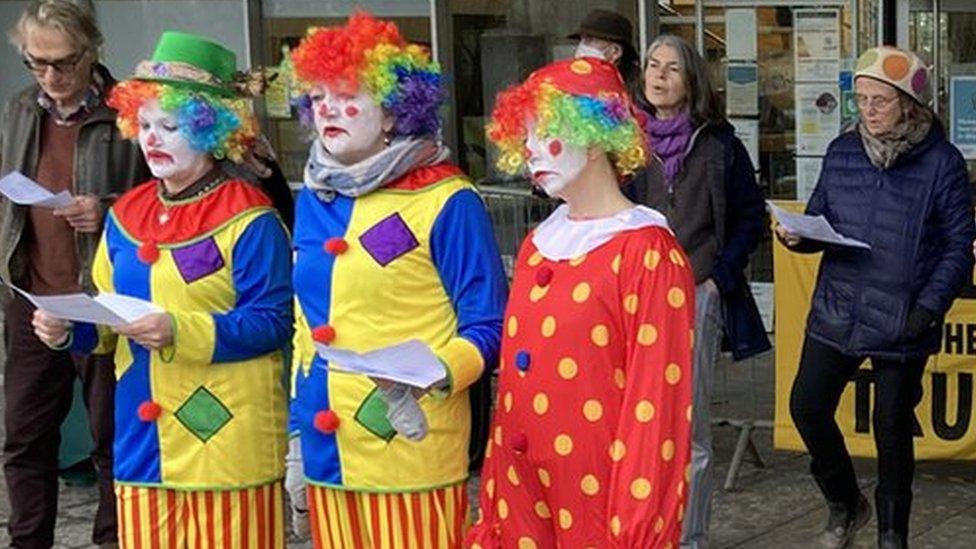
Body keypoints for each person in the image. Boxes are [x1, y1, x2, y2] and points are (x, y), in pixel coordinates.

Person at [32, 30, 293, 547]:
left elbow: (274, 322)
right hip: (141, 440)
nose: (150, 139)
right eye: (144, 124)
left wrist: (180, 328)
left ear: (209, 129)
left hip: (227, 441)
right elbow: (106, 325)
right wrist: (67, 331)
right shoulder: (125, 214)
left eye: (170, 126)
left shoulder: (250, 216)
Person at [288, 12, 507, 548]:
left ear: (392, 112)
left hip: (411, 445)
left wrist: (437, 370)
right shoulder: (314, 196)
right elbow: (304, 323)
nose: (329, 110)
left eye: (348, 96)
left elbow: (491, 321)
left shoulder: (448, 199)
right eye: (319, 97)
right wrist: (296, 425)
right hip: (325, 445)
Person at [466, 57, 695, 548]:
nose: (529, 151)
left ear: (595, 138)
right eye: (523, 136)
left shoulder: (647, 251)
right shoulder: (538, 242)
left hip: (598, 501)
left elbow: (655, 405)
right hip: (521, 498)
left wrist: (636, 526)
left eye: (544, 132)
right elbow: (511, 393)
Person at [778, 46, 975, 549]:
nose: (867, 110)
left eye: (879, 101)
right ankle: (846, 502)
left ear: (911, 105)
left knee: (890, 429)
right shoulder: (843, 151)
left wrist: (928, 309)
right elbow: (821, 214)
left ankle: (893, 533)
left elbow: (958, 245)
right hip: (838, 306)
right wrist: (799, 236)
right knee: (807, 406)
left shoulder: (943, 163)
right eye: (861, 99)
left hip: (904, 314)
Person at [0, 1, 150, 546]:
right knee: (24, 438)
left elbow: (162, 199)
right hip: (32, 294)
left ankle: (113, 539)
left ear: (91, 51)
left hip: (101, 296)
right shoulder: (21, 108)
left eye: (62, 63)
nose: (50, 77)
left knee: (113, 438)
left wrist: (107, 209)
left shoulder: (127, 113)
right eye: (36, 63)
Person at [627, 34, 770, 549]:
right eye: (651, 66)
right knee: (631, 423)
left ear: (691, 80)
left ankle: (690, 537)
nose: (658, 76)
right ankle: (640, 529)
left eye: (671, 68)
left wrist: (720, 277)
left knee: (690, 429)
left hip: (695, 293)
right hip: (632, 298)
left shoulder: (718, 144)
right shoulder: (624, 141)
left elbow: (750, 216)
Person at [569, 8, 642, 104]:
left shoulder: (638, 94)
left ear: (615, 52)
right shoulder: (574, 87)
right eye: (581, 41)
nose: (580, 47)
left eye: (589, 40)